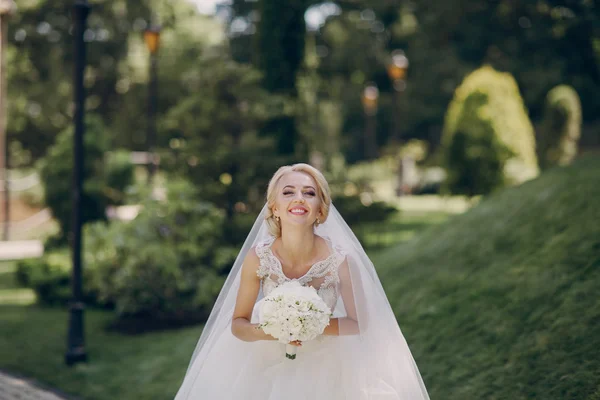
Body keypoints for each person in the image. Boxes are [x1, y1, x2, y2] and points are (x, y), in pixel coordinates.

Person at [174, 163, 430, 400]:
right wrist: (276, 330)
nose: (299, 198)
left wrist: (310, 326)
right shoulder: (258, 258)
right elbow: (239, 324)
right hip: (263, 361)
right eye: (288, 192)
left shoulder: (341, 260)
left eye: (309, 193)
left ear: (321, 208)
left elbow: (359, 321)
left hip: (330, 364)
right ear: (274, 207)